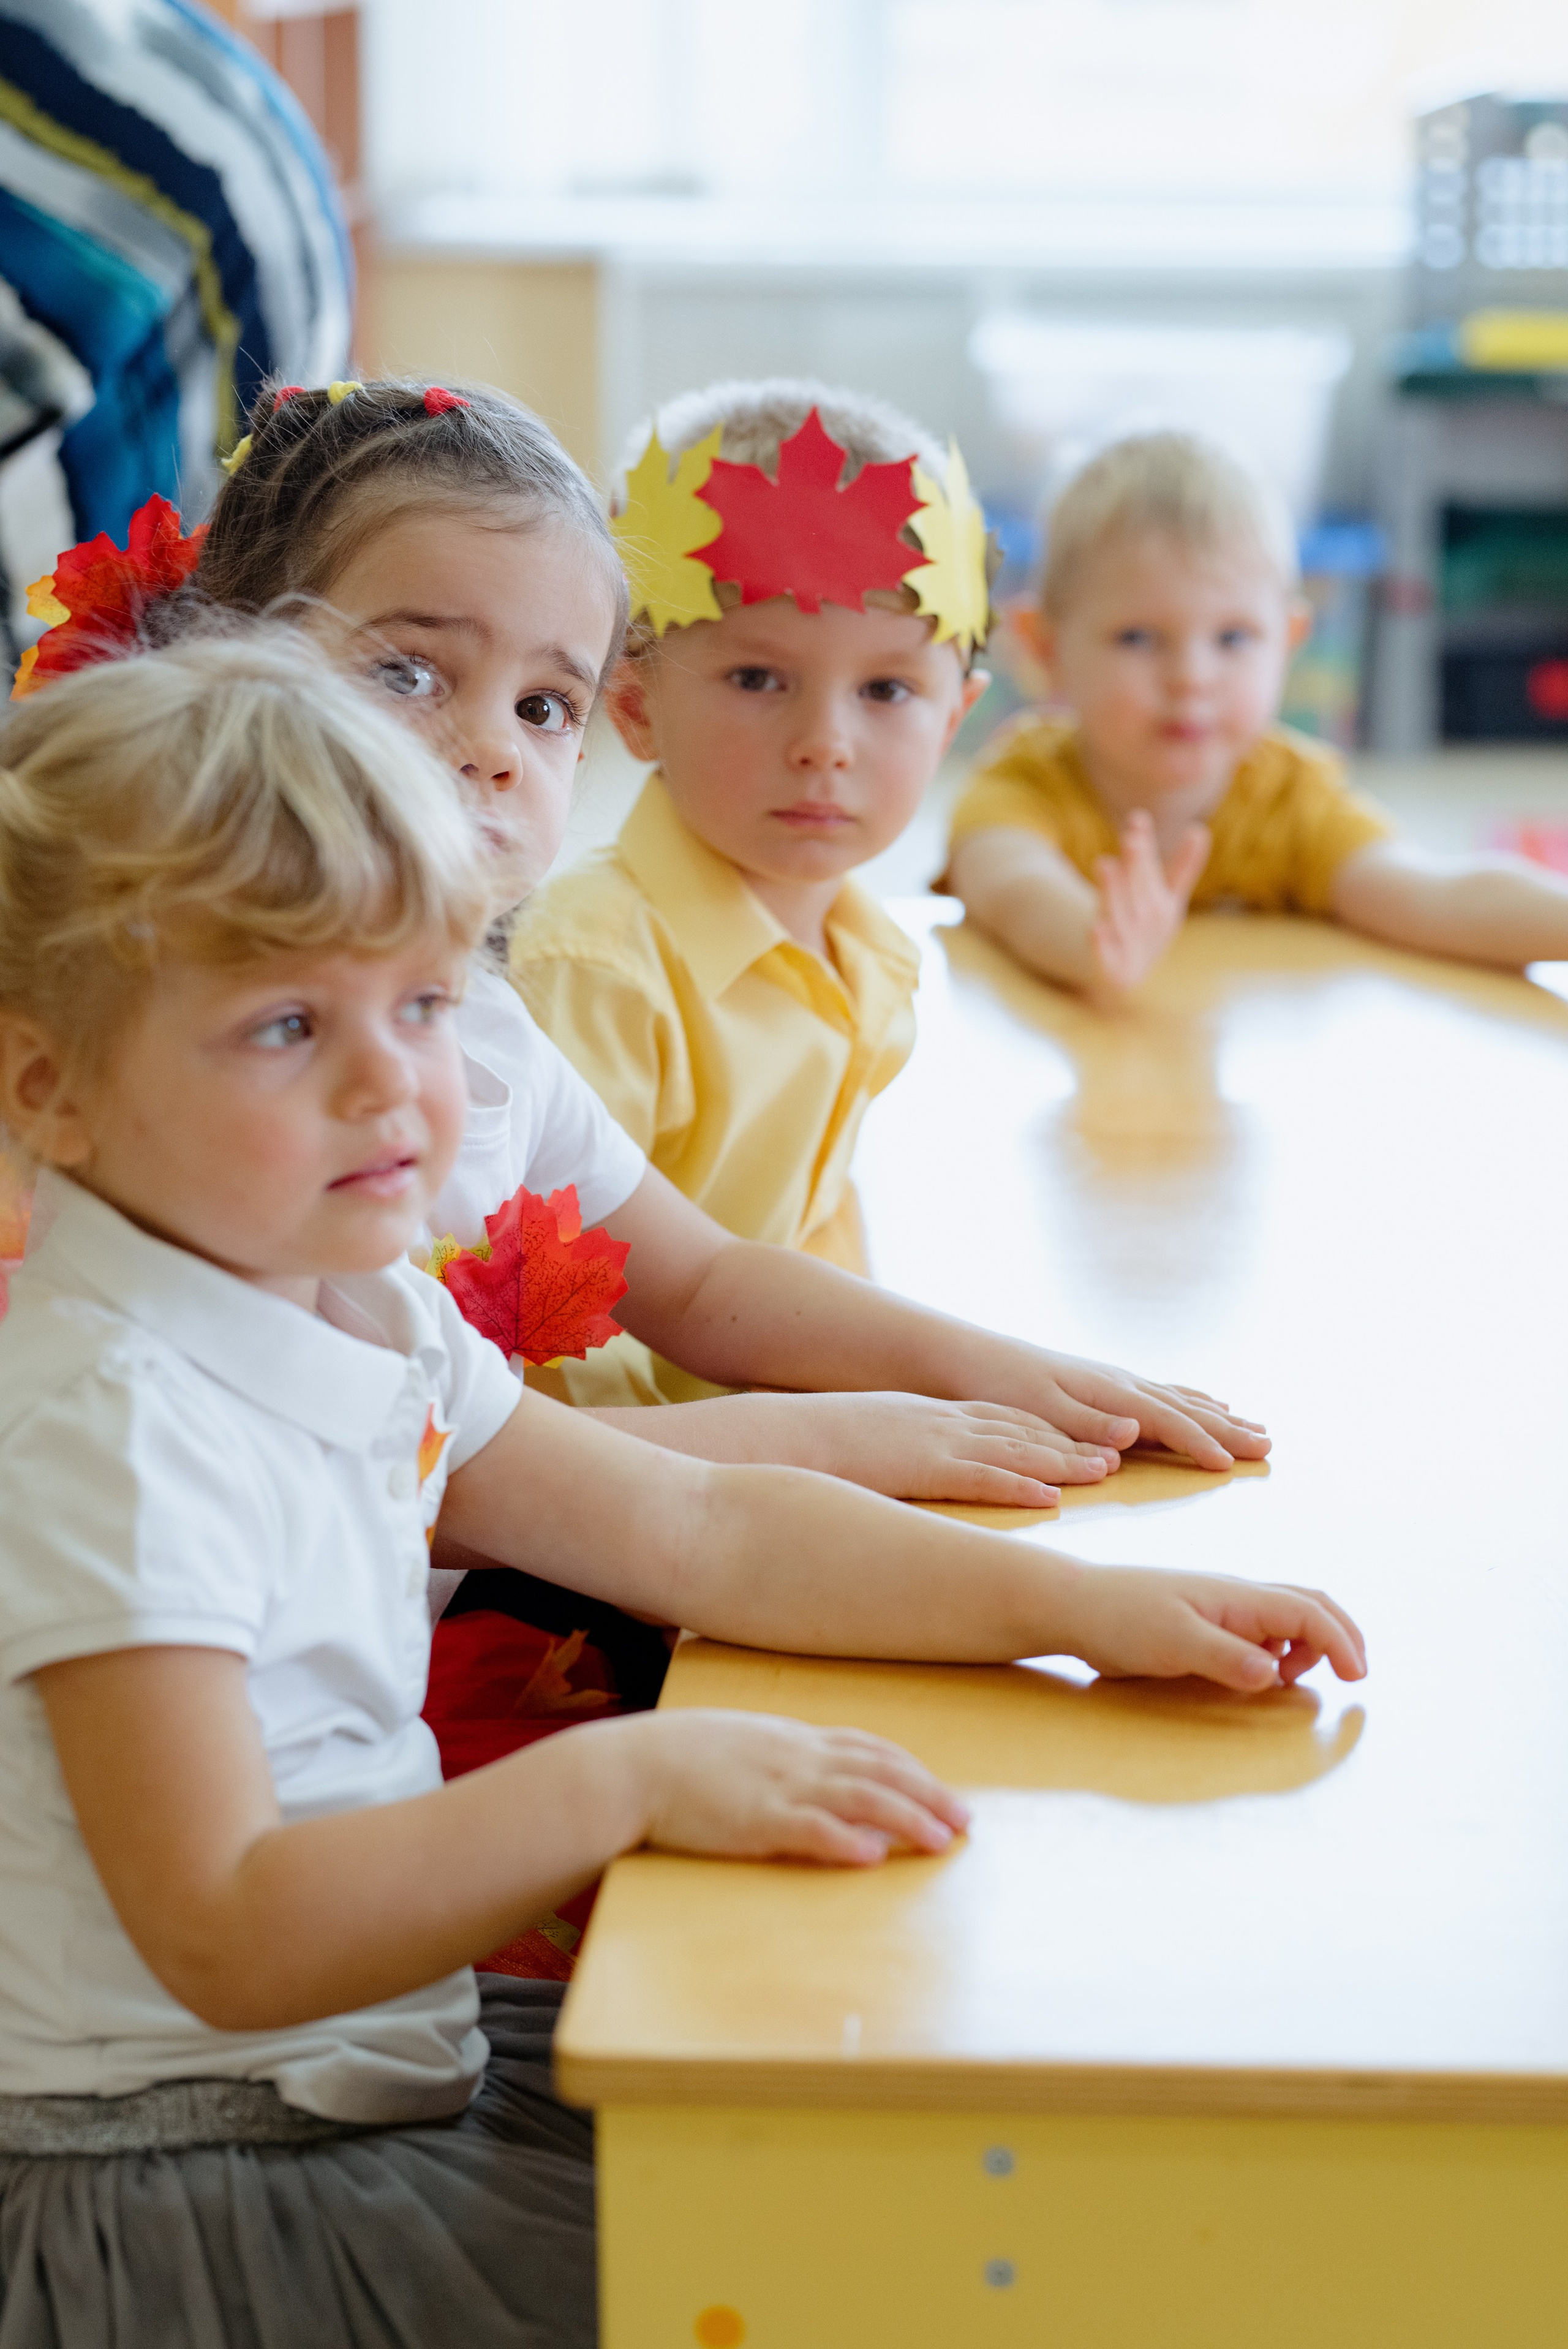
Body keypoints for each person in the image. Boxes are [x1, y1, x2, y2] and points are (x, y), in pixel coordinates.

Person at [0, 636, 1365, 2347]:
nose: (392, 1083)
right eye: (286, 1023)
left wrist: (1083, 1615)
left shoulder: (363, 1298)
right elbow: (227, 1932)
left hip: (354, 2083)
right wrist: (626, 1778)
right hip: (195, 2192)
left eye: (422, 1001)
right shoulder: (109, 1423)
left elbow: (694, 1525)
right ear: (46, 1082)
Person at [16, 379, 1272, 1935]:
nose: (484, 752)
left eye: (537, 705)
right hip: (351, 1890)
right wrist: (835, 1446)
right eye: (410, 671)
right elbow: (469, 1508)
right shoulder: (175, 1274)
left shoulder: (457, 1061)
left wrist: (1077, 1581)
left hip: (388, 1892)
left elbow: (692, 1336)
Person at [944, 431, 1568, 1000]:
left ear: (1289, 640)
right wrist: (1094, 938)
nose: (1191, 678)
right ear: (1044, 648)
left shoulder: (1291, 801)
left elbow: (1432, 895)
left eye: (1234, 638)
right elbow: (1011, 884)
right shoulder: (1022, 784)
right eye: (1137, 638)